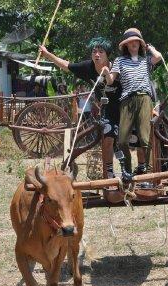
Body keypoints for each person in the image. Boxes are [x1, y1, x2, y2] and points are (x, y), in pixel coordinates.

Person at [39, 37, 145, 179]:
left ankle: (137, 171)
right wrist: (47, 54)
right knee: (108, 139)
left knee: (132, 141)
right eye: (94, 52)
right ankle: (109, 173)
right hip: (107, 111)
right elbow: (66, 65)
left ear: (107, 54)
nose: (97, 55)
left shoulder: (118, 66)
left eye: (101, 52)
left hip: (126, 109)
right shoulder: (88, 68)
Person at [103, 28, 162, 176]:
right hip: (126, 100)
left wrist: (150, 48)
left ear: (140, 44)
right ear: (126, 46)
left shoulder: (146, 60)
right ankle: (127, 170)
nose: (133, 44)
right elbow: (110, 81)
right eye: (130, 42)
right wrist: (105, 72)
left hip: (144, 98)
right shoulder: (119, 60)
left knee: (144, 138)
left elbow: (159, 57)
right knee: (122, 140)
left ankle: (146, 172)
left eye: (136, 41)